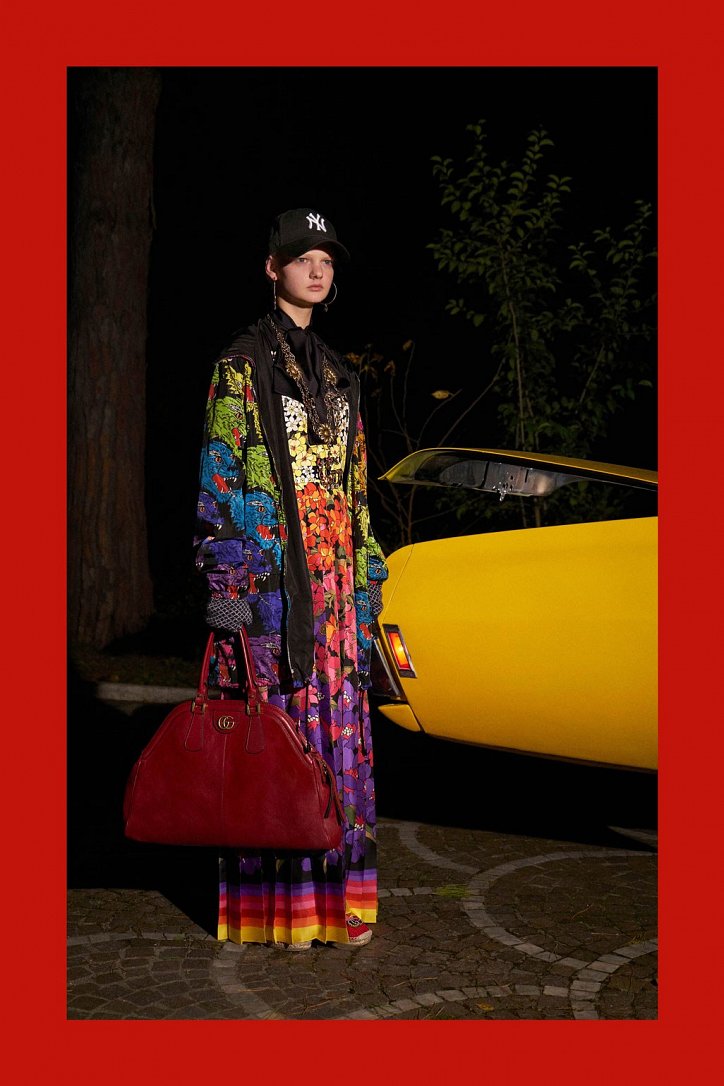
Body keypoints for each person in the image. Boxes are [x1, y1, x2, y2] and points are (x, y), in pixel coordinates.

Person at [193, 208, 388, 950]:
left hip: (335, 592)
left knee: (338, 737)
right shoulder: (242, 365)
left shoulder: (340, 373)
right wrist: (227, 583)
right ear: (272, 268)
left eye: (326, 260)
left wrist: (367, 578)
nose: (317, 270)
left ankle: (338, 906)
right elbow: (219, 472)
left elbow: (356, 489)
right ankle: (276, 912)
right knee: (276, 740)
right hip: (275, 587)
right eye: (302, 257)